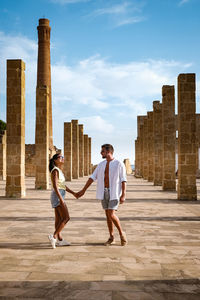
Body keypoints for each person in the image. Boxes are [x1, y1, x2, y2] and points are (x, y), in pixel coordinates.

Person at [76, 144, 128, 246]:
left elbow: (123, 180)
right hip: (103, 192)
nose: (101, 153)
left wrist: (123, 195)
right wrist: (83, 190)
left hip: (114, 192)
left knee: (111, 214)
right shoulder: (101, 165)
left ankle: (122, 234)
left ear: (109, 152)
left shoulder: (119, 164)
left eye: (102, 151)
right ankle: (111, 237)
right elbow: (92, 177)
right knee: (107, 215)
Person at [48, 153, 76, 249]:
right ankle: (54, 236)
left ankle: (59, 240)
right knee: (66, 217)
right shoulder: (55, 171)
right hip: (57, 195)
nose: (63, 158)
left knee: (59, 219)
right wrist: (60, 198)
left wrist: (74, 193)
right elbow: (56, 186)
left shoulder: (59, 170)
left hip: (59, 194)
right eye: (61, 157)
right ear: (55, 160)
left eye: (63, 157)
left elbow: (62, 185)